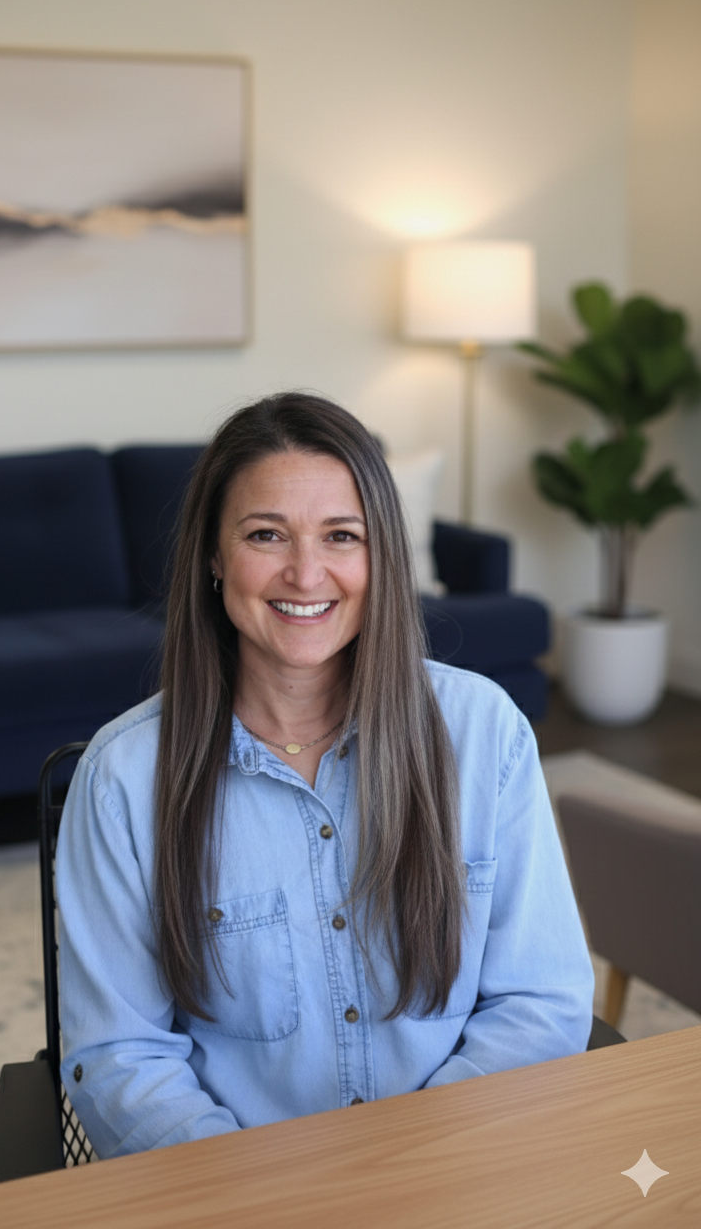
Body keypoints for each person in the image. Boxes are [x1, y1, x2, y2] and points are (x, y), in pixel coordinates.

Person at [56, 392, 593, 1158]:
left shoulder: (485, 733)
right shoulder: (121, 780)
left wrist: (412, 1165)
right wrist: (257, 1199)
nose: (307, 574)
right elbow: (118, 1056)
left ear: (382, 557)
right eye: (266, 534)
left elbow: (540, 1002)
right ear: (213, 554)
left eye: (343, 536)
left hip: (458, 1177)